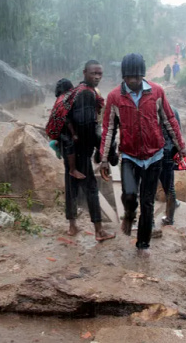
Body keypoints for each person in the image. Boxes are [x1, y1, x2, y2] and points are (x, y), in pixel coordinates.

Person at [99, 53, 186, 256]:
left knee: (148, 202)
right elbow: (109, 129)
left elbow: (169, 121)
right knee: (129, 195)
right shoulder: (114, 97)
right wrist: (104, 159)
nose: (132, 81)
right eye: (128, 77)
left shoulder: (157, 92)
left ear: (143, 75)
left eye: (136, 77)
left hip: (154, 156)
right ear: (123, 76)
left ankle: (143, 245)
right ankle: (129, 213)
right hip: (129, 156)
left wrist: (181, 147)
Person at [64, 60, 115, 242]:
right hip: (80, 150)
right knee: (92, 189)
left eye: (100, 74)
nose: (97, 77)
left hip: (69, 149)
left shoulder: (76, 91)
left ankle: (72, 226)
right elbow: (87, 125)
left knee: (71, 188)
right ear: (84, 72)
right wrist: (100, 150)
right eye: (94, 73)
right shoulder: (87, 94)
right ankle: (99, 231)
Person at [49, 78, 86, 180]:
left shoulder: (61, 98)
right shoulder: (65, 99)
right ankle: (72, 170)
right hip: (60, 128)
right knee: (70, 143)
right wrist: (73, 133)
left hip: (55, 128)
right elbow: (66, 119)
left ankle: (55, 144)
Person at [159, 107, 181, 226]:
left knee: (149, 187)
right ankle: (169, 218)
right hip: (168, 150)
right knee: (169, 186)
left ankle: (149, 221)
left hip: (153, 152)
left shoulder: (148, 108)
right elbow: (178, 132)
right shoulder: (173, 110)